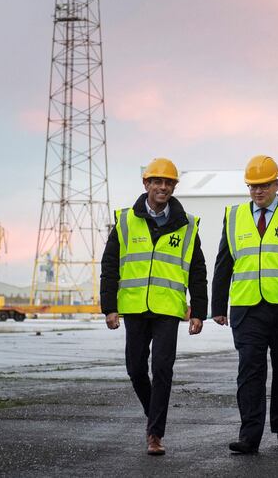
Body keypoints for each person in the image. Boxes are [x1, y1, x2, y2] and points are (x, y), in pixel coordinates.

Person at [212, 155, 278, 454]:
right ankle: (249, 435)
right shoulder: (234, 216)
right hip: (247, 307)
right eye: (252, 186)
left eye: (264, 185)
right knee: (249, 369)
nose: (258, 192)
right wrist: (218, 305)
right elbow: (224, 262)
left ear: (276, 184)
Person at [100, 157, 208, 456]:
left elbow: (197, 271)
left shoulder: (187, 225)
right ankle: (154, 416)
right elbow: (109, 266)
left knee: (162, 368)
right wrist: (109, 306)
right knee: (135, 368)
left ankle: (155, 434)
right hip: (133, 308)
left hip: (167, 310)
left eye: (168, 182)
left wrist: (198, 311)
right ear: (146, 184)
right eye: (157, 181)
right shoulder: (124, 221)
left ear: (174, 186)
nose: (163, 187)